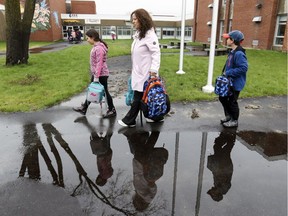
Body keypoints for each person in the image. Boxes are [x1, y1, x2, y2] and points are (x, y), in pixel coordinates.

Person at [118, 8, 161, 128]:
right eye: (132, 20)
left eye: (135, 19)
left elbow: (156, 53)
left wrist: (153, 71)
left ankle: (129, 120)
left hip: (147, 73)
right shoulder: (139, 35)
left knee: (138, 96)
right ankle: (154, 116)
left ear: (142, 19)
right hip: (138, 72)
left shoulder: (149, 35)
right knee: (145, 97)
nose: (133, 22)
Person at [119, 129, 168, 211]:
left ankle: (140, 135)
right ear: (141, 204)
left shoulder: (139, 193)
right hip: (143, 167)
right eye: (136, 204)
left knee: (144, 149)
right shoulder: (147, 198)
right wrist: (151, 183)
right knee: (141, 150)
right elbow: (153, 190)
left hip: (140, 166)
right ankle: (133, 135)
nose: (134, 201)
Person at [73, 29, 116, 118]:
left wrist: (96, 77)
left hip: (101, 75)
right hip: (97, 74)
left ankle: (112, 110)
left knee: (104, 92)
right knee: (92, 90)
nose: (87, 40)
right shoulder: (97, 46)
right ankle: (84, 107)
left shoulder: (99, 48)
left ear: (93, 37)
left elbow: (99, 63)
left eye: (88, 38)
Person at [74, 116, 115, 186]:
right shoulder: (104, 175)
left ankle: (111, 121)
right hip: (102, 153)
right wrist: (100, 159)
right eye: (98, 180)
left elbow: (109, 166)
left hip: (106, 153)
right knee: (95, 135)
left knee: (107, 136)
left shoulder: (108, 175)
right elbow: (104, 165)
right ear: (101, 180)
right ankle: (85, 121)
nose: (97, 178)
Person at [220, 30, 248, 128]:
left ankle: (234, 120)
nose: (226, 40)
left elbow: (244, 68)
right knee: (222, 97)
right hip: (228, 82)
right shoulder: (233, 51)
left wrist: (228, 73)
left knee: (232, 101)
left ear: (232, 40)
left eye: (228, 38)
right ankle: (228, 116)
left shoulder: (239, 53)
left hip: (235, 83)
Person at [207, 129, 236, 201]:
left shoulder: (216, 185)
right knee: (226, 150)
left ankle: (225, 136)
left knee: (217, 147)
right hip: (225, 166)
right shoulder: (224, 190)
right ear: (216, 194)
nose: (211, 189)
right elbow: (223, 178)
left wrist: (212, 166)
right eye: (212, 193)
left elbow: (215, 174)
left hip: (219, 164)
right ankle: (231, 135)